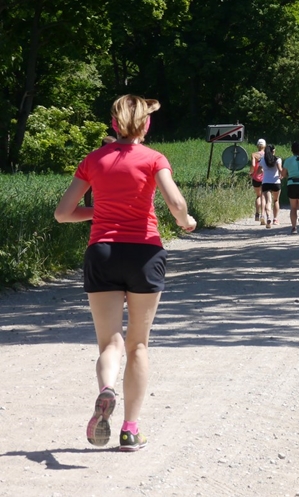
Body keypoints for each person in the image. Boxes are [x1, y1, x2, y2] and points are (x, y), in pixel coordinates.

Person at [54, 94, 196, 452]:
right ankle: (131, 429)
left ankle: (106, 389)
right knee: (139, 344)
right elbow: (175, 203)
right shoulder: (153, 159)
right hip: (145, 253)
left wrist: (101, 212)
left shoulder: (93, 160)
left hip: (102, 253)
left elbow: (63, 213)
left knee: (110, 342)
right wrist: (186, 221)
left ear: (113, 124)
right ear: (145, 125)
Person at [260, 144, 283, 228]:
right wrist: (282, 174)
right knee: (276, 200)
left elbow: (259, 170)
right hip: (276, 182)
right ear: (273, 151)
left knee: (268, 201)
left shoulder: (262, 160)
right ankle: (275, 219)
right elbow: (280, 169)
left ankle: (268, 218)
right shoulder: (278, 159)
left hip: (266, 183)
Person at [250, 139, 266, 224]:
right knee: (264, 196)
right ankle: (263, 215)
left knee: (258, 196)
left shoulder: (254, 154)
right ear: (265, 146)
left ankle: (257, 213)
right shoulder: (267, 154)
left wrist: (251, 172)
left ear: (257, 146)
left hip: (256, 178)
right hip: (265, 178)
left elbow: (253, 165)